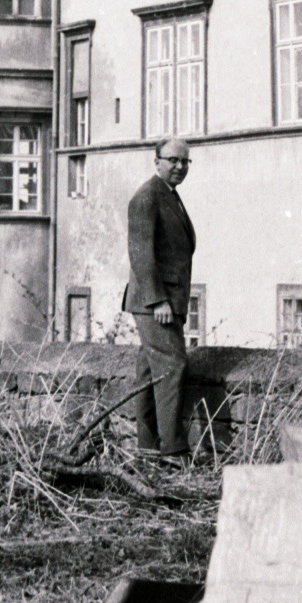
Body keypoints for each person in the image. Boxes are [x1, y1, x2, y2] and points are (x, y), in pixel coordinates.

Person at [122, 138, 196, 461]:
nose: (179, 166)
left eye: (185, 162)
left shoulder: (170, 196)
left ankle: (148, 449)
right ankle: (173, 451)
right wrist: (158, 302)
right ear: (157, 161)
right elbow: (141, 256)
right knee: (172, 365)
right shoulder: (147, 197)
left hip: (164, 301)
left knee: (150, 373)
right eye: (173, 160)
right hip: (156, 303)